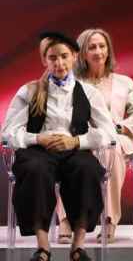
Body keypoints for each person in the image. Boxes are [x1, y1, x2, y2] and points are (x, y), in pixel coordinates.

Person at [2, 32, 118, 261]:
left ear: (75, 57)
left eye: (64, 56)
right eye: (53, 58)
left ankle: (78, 246)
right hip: (38, 152)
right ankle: (43, 247)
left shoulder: (88, 93)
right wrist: (37, 139)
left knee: (88, 170)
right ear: (45, 60)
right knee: (35, 170)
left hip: (74, 150)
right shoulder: (30, 91)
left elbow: (108, 132)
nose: (59, 63)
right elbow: (6, 134)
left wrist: (77, 141)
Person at [57, 28, 133, 242]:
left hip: (115, 138)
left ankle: (109, 220)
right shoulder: (71, 82)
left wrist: (117, 128)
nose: (98, 51)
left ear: (109, 50)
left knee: (111, 149)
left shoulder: (125, 82)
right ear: (82, 53)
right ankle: (65, 220)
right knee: (60, 152)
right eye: (92, 47)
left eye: (102, 46)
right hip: (82, 139)